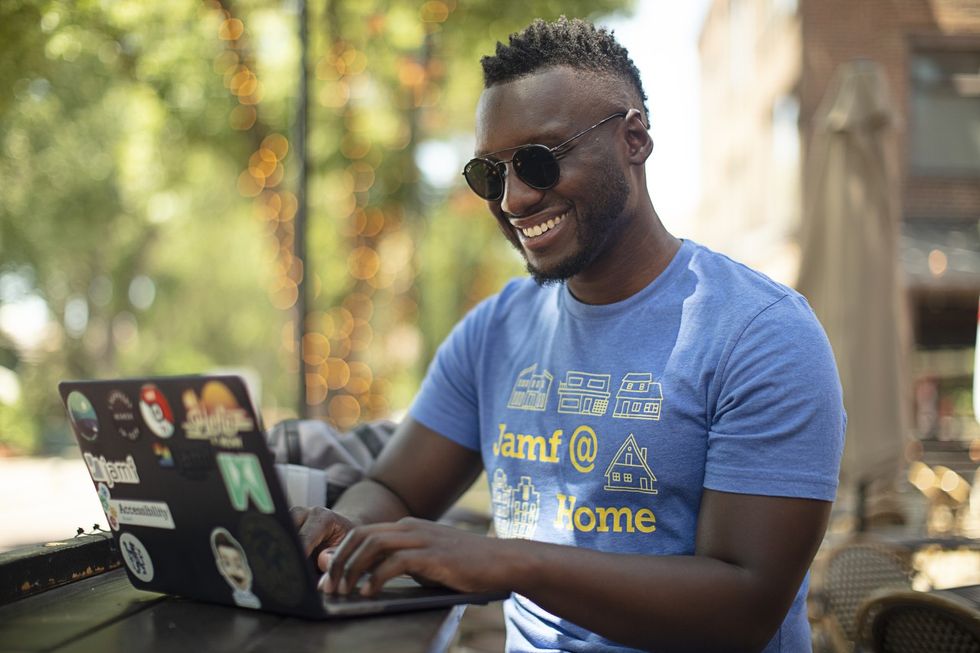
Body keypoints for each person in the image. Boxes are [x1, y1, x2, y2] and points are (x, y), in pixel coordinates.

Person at [293, 17, 845, 653]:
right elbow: (394, 487)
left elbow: (743, 608)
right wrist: (350, 529)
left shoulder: (760, 335)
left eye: (538, 161)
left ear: (633, 139)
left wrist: (511, 562)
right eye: (490, 175)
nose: (515, 199)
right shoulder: (495, 331)